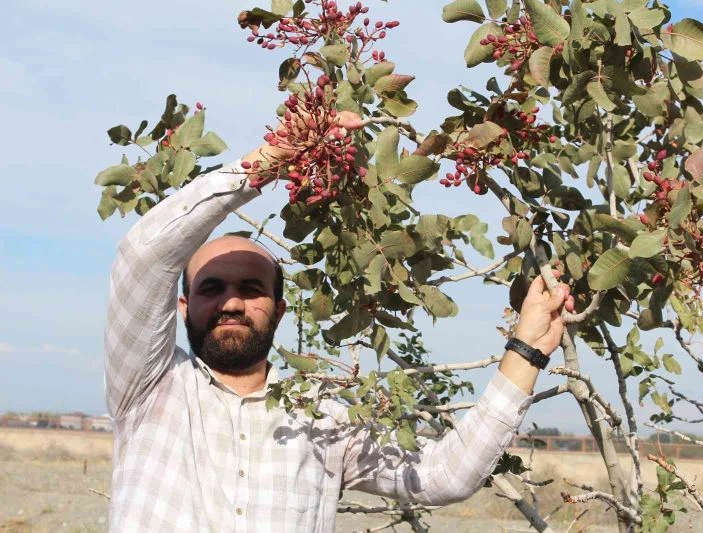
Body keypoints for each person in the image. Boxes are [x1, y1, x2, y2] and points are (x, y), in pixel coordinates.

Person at [103, 114, 573, 532]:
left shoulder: (320, 416)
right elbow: (143, 255)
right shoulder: (148, 387)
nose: (231, 302)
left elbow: (443, 475)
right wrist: (276, 157)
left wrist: (526, 350)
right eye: (211, 288)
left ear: (279, 310)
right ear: (183, 307)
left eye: (250, 289)